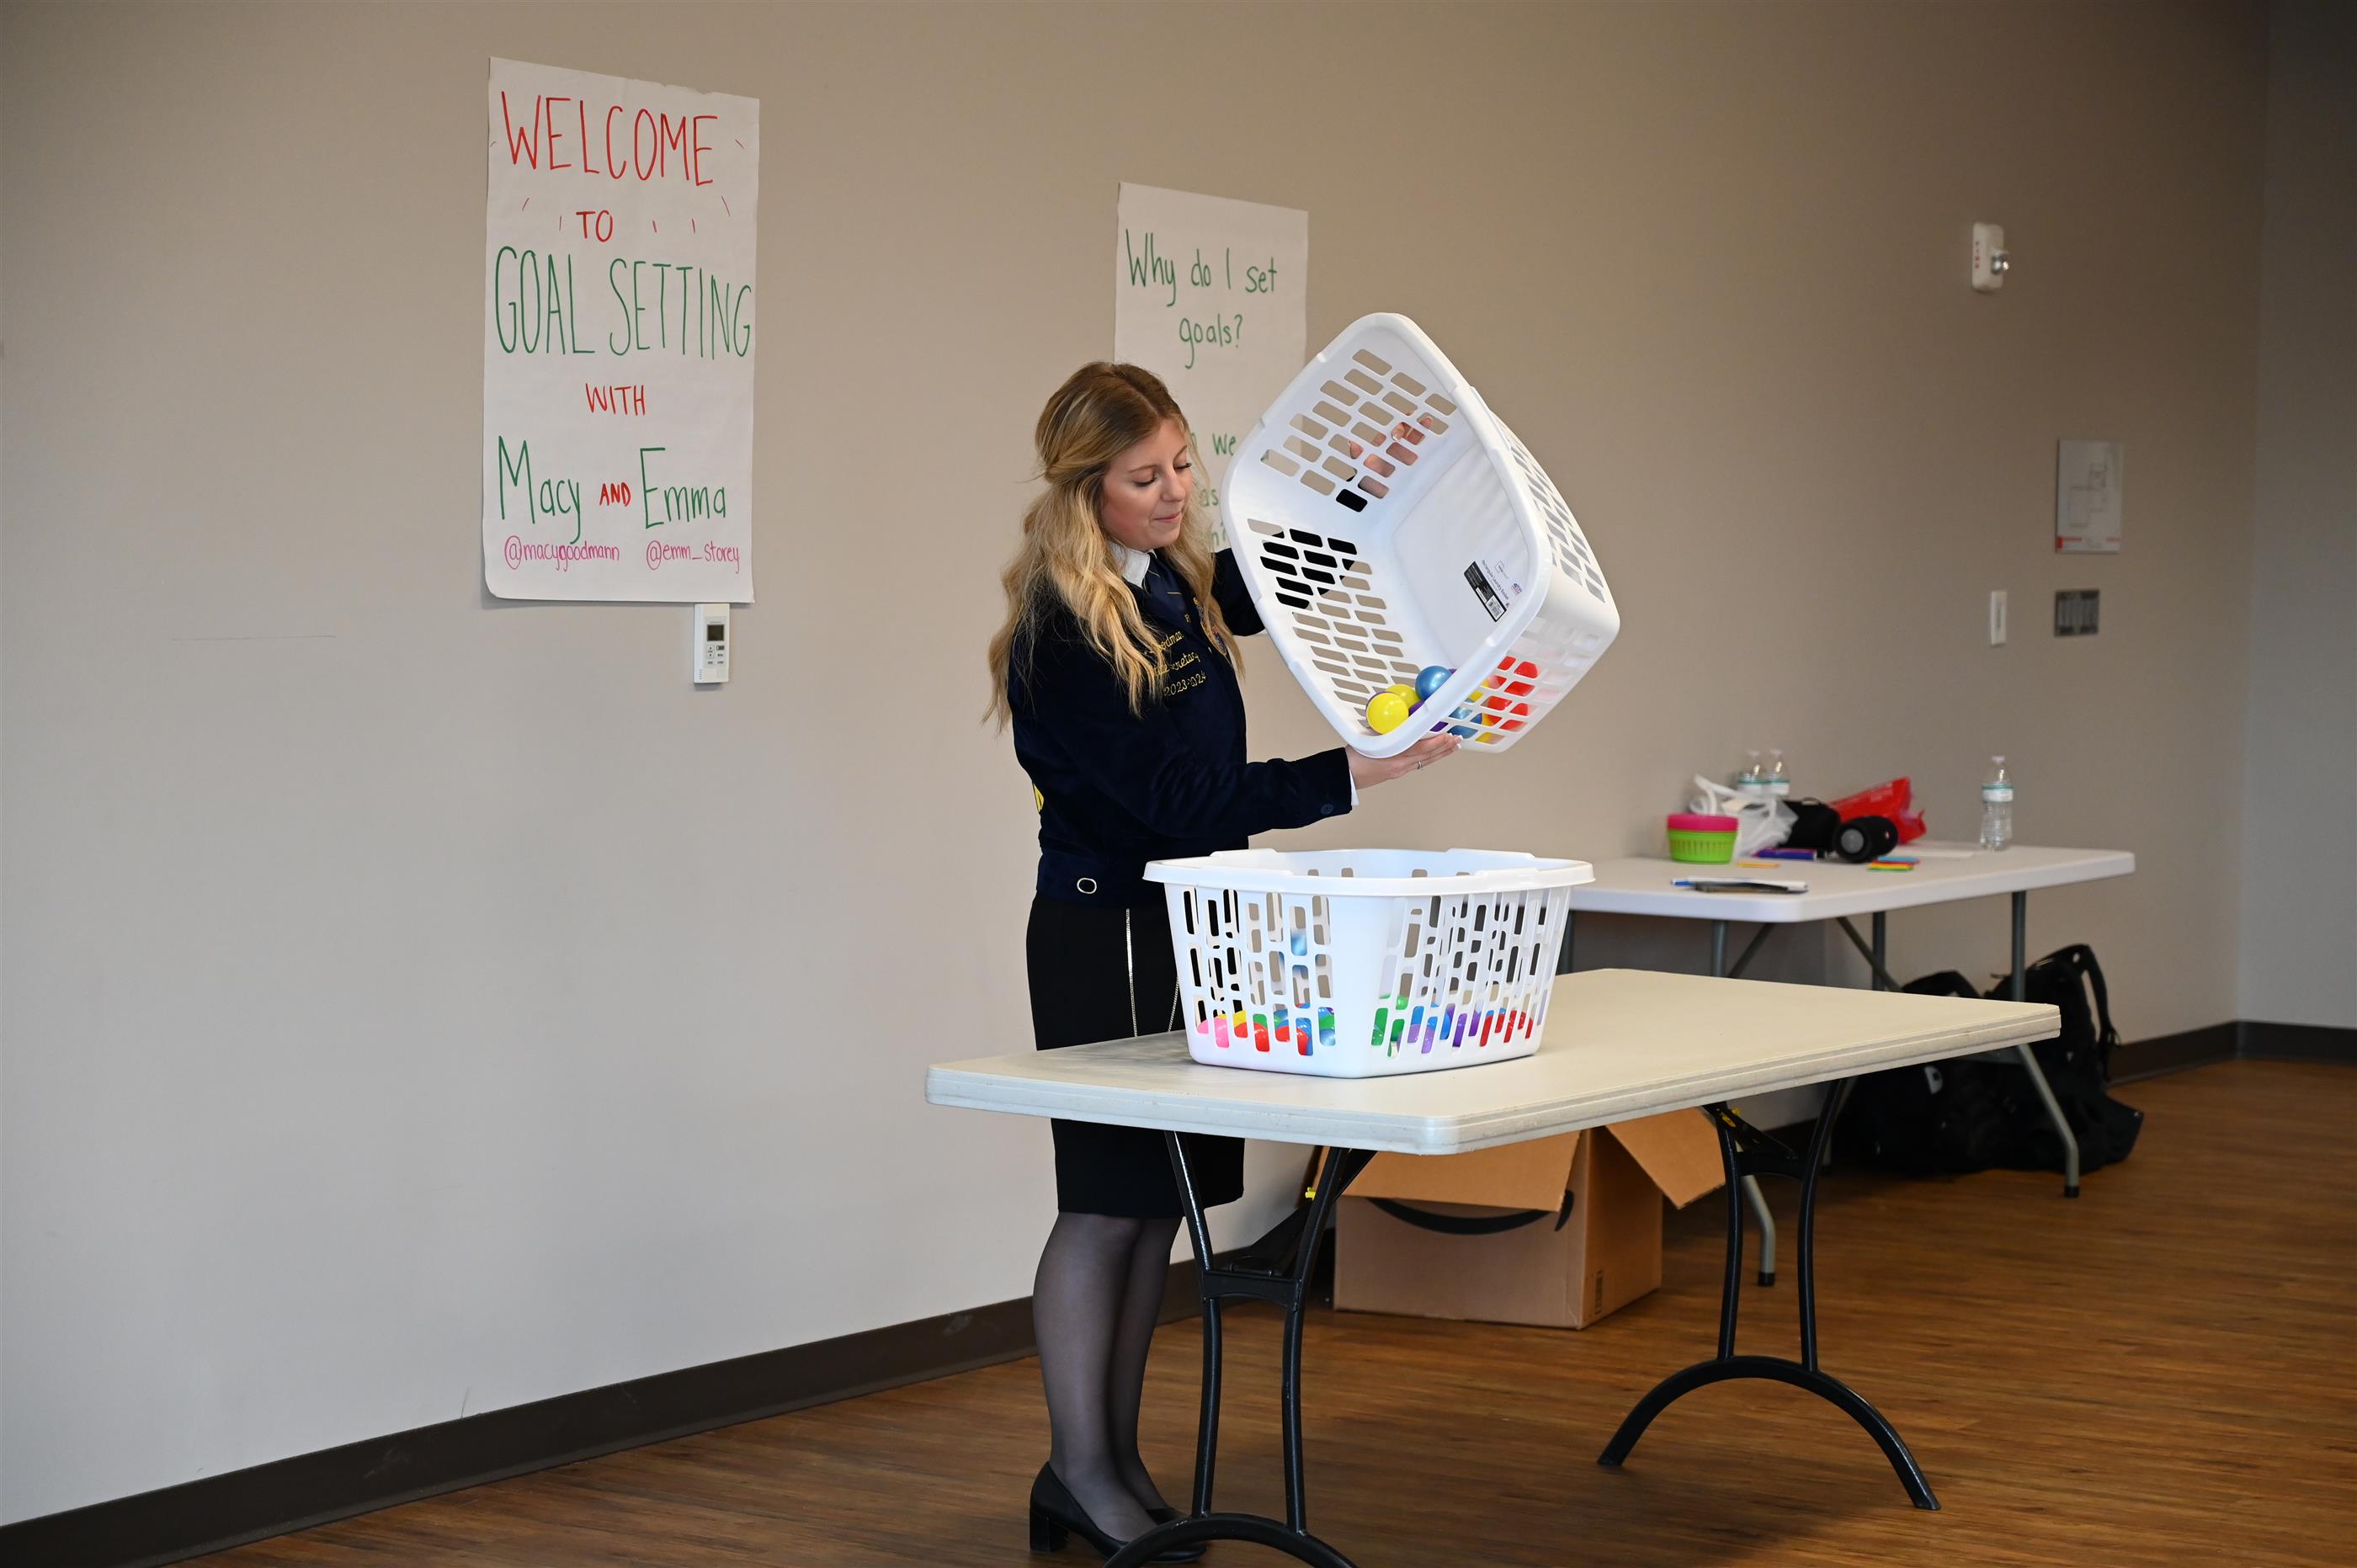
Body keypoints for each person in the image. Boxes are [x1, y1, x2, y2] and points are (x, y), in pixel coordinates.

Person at [985, 363, 1455, 1560]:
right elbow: (1176, 801)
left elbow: (1268, 577)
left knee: (1163, 1210)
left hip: (1189, 925)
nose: (1177, 492)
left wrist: (1368, 490)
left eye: (1185, 464)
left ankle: (1113, 1461)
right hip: (1104, 933)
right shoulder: (1062, 629)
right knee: (1105, 1204)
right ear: (1084, 488)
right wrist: (1354, 773)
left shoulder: (1168, 580)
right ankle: (1078, 1471)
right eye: (1145, 476)